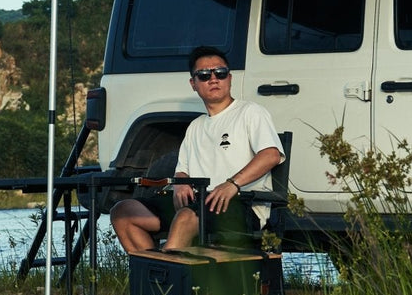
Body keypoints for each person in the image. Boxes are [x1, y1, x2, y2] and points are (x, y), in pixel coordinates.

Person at [111, 46, 285, 253]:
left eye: (220, 73)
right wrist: (179, 184)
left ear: (229, 78)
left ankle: (168, 276)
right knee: (123, 212)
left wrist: (232, 184)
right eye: (204, 75)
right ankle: (155, 271)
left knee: (187, 216)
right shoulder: (195, 126)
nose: (213, 79)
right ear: (193, 84)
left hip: (239, 205)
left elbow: (271, 155)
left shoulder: (250, 112)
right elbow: (182, 170)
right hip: (196, 204)